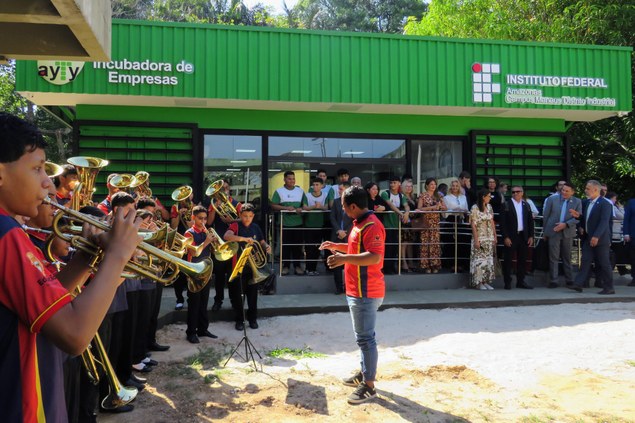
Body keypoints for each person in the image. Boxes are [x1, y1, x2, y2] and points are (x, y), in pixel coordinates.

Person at [0, 112, 142, 421]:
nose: (47, 182)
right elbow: (76, 335)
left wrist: (86, 257)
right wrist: (117, 255)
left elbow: (45, 304)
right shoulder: (7, 235)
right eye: (37, 168)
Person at [319, 186, 385, 405]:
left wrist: (343, 259)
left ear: (353, 206)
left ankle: (369, 385)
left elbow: (374, 256)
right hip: (357, 290)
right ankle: (365, 373)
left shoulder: (372, 224)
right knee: (364, 338)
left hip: (366, 291)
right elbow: (355, 247)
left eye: (345, 207)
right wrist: (336, 246)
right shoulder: (359, 224)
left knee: (366, 339)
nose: (344, 211)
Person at [224, 203, 271, 330]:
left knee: (252, 295)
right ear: (240, 215)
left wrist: (266, 246)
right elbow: (227, 236)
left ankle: (253, 319)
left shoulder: (255, 227)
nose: (247, 219)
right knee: (239, 296)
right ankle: (239, 320)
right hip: (238, 265)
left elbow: (261, 241)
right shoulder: (235, 225)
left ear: (253, 216)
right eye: (245, 216)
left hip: (253, 266)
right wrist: (243, 239)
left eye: (250, 216)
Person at [569, 180, 614, 294]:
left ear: (595, 190)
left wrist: (596, 236)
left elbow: (604, 222)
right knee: (585, 260)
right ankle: (578, 283)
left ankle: (609, 287)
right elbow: (587, 219)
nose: (585, 190)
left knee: (604, 263)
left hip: (601, 239)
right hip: (589, 238)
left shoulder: (605, 204)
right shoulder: (587, 203)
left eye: (588, 188)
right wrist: (579, 216)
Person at [184, 205, 218, 343]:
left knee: (204, 301)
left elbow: (214, 251)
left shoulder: (206, 232)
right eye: (200, 218)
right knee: (194, 303)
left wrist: (215, 244)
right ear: (193, 218)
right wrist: (207, 241)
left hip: (206, 269)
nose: (203, 221)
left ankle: (203, 329)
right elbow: (193, 252)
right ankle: (191, 332)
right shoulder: (189, 233)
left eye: (205, 218)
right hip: (194, 271)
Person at [207, 180, 240, 312]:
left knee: (232, 275)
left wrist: (231, 220)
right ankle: (218, 301)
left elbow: (244, 219)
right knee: (219, 276)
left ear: (229, 189)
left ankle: (234, 302)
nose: (223, 191)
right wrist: (215, 207)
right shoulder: (213, 204)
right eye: (221, 189)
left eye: (225, 188)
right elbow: (209, 222)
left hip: (233, 243)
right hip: (219, 243)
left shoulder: (236, 203)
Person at [541, 182, 581, 288]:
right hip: (553, 231)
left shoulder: (577, 201)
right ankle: (554, 280)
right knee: (553, 256)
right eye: (563, 190)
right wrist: (545, 232)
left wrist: (566, 224)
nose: (564, 192)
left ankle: (570, 279)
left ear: (572, 192)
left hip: (568, 232)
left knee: (567, 257)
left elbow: (578, 218)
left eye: (567, 191)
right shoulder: (552, 199)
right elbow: (546, 215)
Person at [270, 170, 307, 276]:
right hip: (284, 224)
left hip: (298, 224)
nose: (292, 180)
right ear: (284, 179)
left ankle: (297, 266)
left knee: (297, 247)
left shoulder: (300, 191)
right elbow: (273, 205)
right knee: (285, 247)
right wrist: (285, 207)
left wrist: (300, 208)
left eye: (293, 178)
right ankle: (285, 267)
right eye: (289, 178)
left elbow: (305, 205)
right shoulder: (279, 191)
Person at [500, 185, 534, 289]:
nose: (515, 193)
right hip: (511, 236)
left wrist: (531, 236)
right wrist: (505, 237)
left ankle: (521, 281)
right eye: (513, 192)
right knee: (508, 260)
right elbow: (502, 223)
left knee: (522, 260)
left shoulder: (526, 205)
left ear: (522, 193)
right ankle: (507, 282)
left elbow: (530, 222)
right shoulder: (506, 204)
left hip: (523, 236)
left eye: (517, 191)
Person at [380, 176, 409, 274]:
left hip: (397, 225)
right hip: (387, 225)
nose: (392, 184)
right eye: (391, 182)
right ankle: (386, 268)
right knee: (387, 247)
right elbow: (390, 205)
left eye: (394, 182)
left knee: (395, 248)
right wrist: (401, 214)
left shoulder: (401, 195)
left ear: (399, 183)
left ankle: (393, 267)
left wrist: (407, 213)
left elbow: (406, 206)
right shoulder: (385, 193)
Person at [469, 189, 497, 290]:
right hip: (480, 237)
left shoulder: (489, 207)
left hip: (489, 237)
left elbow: (492, 221)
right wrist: (476, 239)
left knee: (488, 260)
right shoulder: (475, 208)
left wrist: (495, 235)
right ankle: (478, 282)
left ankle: (485, 281)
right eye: (489, 196)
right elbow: (473, 224)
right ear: (483, 197)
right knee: (479, 261)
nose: (490, 198)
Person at [417, 177, 446, 273]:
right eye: (431, 184)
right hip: (426, 222)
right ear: (427, 186)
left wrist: (441, 207)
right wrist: (432, 207)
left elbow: (445, 208)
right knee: (425, 242)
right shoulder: (423, 195)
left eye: (434, 184)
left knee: (435, 242)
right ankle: (426, 265)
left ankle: (435, 264)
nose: (433, 186)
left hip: (435, 222)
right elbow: (419, 208)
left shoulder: (438, 196)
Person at [329, 182, 353, 294]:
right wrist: (339, 230)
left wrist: (346, 232)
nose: (339, 191)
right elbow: (332, 217)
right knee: (337, 263)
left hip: (350, 237)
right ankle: (339, 288)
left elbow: (355, 219)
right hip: (337, 235)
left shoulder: (354, 202)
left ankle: (349, 288)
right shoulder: (336, 202)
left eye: (341, 189)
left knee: (350, 263)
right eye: (339, 189)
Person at [304, 177, 330, 275]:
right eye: (314, 185)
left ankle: (314, 269)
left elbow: (327, 206)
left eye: (317, 184)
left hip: (320, 226)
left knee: (318, 248)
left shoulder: (325, 194)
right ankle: (308, 269)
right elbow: (304, 207)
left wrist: (321, 207)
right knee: (309, 248)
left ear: (322, 186)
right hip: (308, 225)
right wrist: (314, 207)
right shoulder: (307, 195)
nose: (315, 186)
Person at [443, 179, 470, 272]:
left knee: (461, 243)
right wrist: (454, 210)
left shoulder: (463, 197)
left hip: (461, 220)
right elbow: (445, 211)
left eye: (456, 186)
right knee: (451, 244)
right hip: (451, 220)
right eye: (453, 185)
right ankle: (451, 264)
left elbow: (466, 209)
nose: (455, 187)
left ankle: (461, 264)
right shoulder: (446, 197)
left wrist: (464, 211)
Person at [400, 180, 418, 273]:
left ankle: (410, 262)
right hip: (404, 222)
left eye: (410, 186)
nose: (409, 188)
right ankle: (404, 263)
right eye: (407, 186)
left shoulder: (413, 197)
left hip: (412, 223)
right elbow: (401, 209)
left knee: (410, 243)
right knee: (404, 243)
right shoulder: (401, 196)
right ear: (403, 187)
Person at [623, 197, 635, 287]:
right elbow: (626, 218)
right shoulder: (631, 202)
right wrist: (626, 233)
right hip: (633, 234)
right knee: (633, 258)